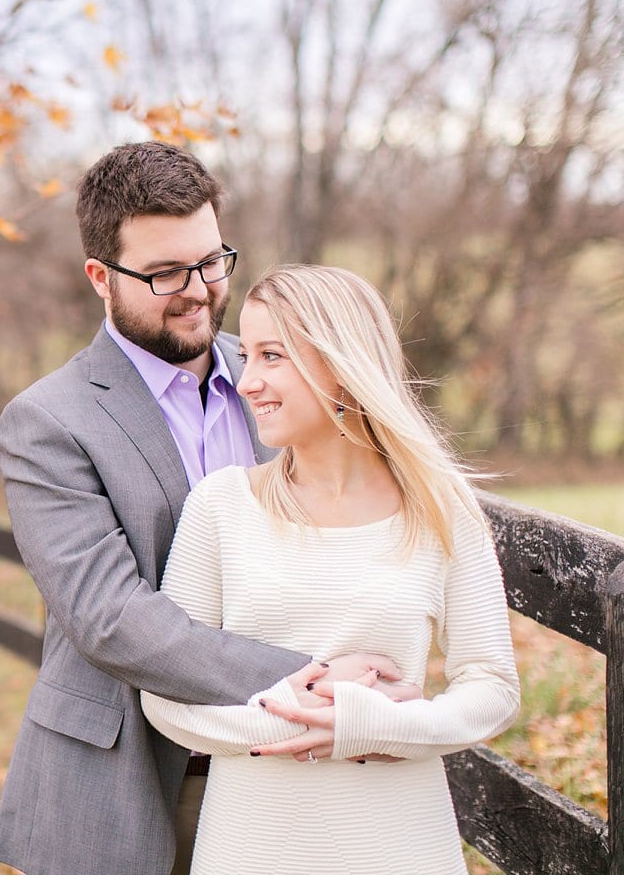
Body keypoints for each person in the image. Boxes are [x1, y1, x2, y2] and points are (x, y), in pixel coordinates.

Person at [0, 142, 412, 875]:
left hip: (291, 772)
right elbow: (109, 617)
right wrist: (309, 676)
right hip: (125, 784)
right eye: (162, 273)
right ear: (99, 276)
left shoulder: (283, 379)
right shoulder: (47, 422)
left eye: (212, 261)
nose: (197, 289)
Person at [140, 264, 521, 874]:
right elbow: (166, 697)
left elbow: (493, 688)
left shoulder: (441, 507)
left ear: (341, 365)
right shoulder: (220, 506)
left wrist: (375, 725)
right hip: (253, 846)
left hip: (399, 843)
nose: (246, 382)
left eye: (271, 356)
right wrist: (286, 714)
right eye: (247, 354)